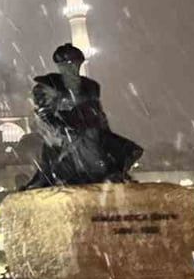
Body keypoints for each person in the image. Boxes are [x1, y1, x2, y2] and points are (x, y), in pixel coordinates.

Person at [21, 43, 143, 190]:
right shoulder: (49, 86)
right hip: (66, 133)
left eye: (76, 64)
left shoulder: (90, 86)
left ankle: (108, 174)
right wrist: (61, 129)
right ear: (60, 66)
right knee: (79, 147)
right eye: (67, 64)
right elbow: (43, 114)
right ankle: (82, 175)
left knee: (126, 151)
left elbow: (98, 113)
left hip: (91, 131)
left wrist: (104, 131)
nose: (72, 68)